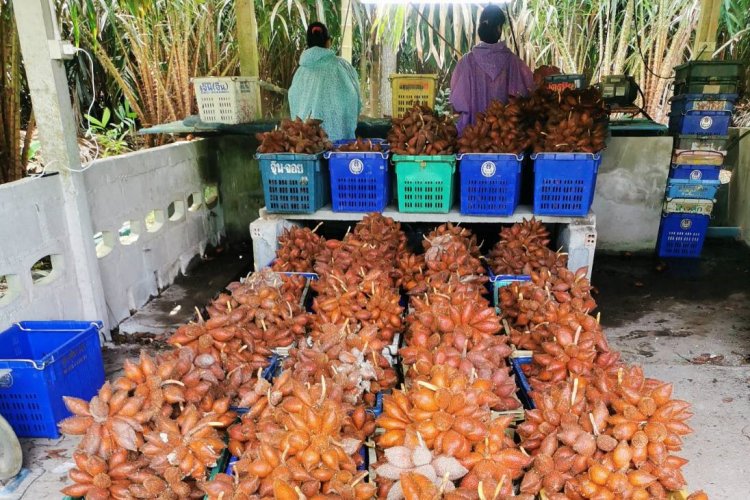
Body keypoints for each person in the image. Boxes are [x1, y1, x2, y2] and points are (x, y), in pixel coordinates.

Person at [450, 5, 534, 134]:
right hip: (505, 139)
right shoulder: (514, 62)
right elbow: (528, 95)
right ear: (499, 28)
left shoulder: (465, 63)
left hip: (471, 140)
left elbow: (456, 105)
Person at [288, 22, 361, 142]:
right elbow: (354, 95)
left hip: (307, 140)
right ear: (328, 42)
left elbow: (293, 98)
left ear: (308, 43)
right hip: (339, 140)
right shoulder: (340, 65)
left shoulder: (300, 71)